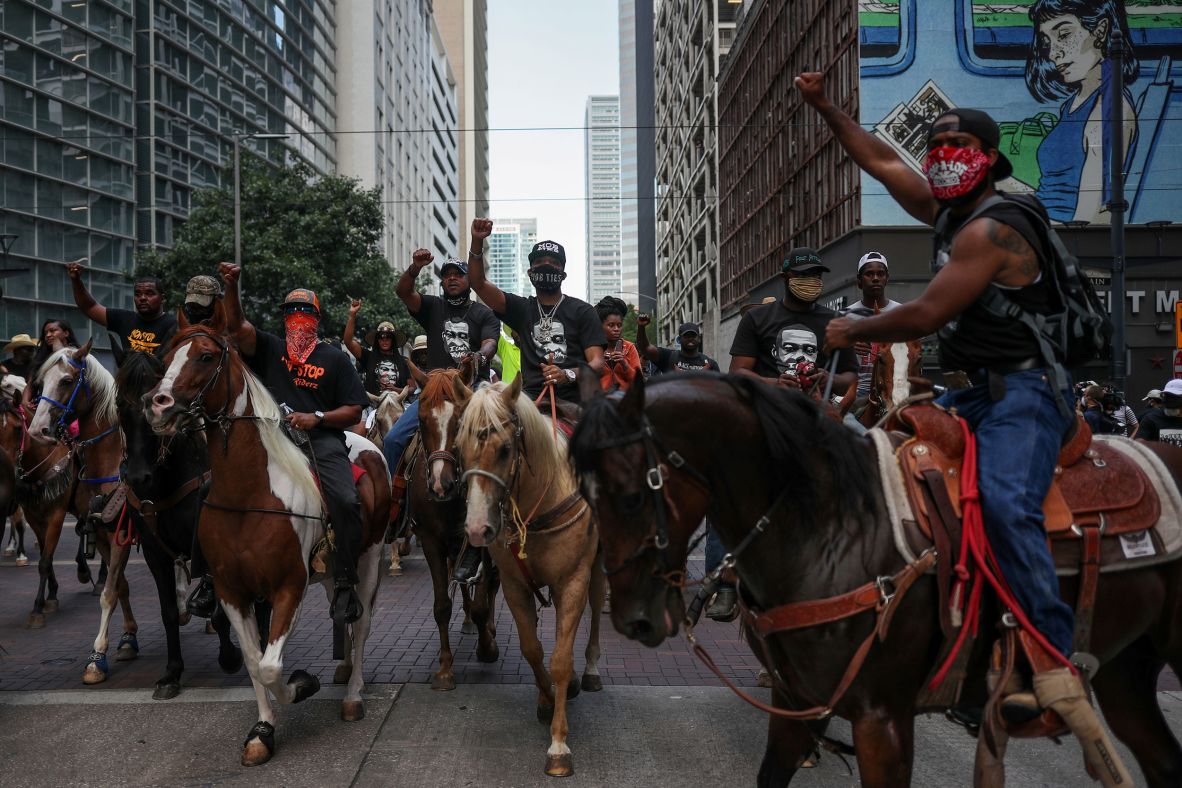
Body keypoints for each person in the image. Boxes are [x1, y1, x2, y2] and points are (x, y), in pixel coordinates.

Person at [800, 70, 1132, 784]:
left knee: (1009, 503)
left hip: (1029, 395)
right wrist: (828, 106)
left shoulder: (993, 226)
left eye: (960, 144)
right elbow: (881, 160)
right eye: (938, 143)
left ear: (988, 157)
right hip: (971, 394)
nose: (944, 152)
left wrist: (853, 327)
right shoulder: (949, 211)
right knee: (884, 457)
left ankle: (1050, 663)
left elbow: (924, 317)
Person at [217, 262, 369, 624]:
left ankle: (346, 577)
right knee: (213, 487)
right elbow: (237, 326)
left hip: (320, 441)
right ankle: (209, 578)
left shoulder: (334, 357)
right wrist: (231, 287)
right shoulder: (269, 347)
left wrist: (316, 418)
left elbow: (353, 410)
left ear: (316, 318)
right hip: (269, 441)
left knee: (347, 500)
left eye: (305, 313)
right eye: (291, 313)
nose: (297, 319)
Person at [382, 249, 499, 471]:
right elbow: (403, 292)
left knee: (500, 439)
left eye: (459, 274)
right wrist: (415, 267)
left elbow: (490, 344)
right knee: (392, 440)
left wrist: (478, 356)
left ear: (469, 280)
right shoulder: (433, 306)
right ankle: (393, 499)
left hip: (471, 387)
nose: (452, 278)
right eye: (447, 275)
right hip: (435, 389)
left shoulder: (485, 313)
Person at [466, 220, 605, 404]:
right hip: (530, 403)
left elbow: (597, 363)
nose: (546, 265)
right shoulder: (521, 309)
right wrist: (476, 241)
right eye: (539, 262)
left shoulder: (583, 311)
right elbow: (478, 284)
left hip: (574, 403)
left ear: (563, 273)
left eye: (554, 262)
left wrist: (568, 374)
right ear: (530, 272)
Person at [1025, 0, 1138, 223]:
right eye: (1047, 42)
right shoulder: (1073, 104)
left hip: (1056, 236)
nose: (1052, 54)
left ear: (1100, 30)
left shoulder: (1108, 110)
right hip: (1043, 223)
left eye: (1064, 34)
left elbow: (1091, 218)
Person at [729, 247, 858, 397]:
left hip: (817, 412)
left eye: (816, 275)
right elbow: (737, 373)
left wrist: (831, 379)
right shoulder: (756, 318)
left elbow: (851, 377)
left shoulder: (836, 321)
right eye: (803, 274)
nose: (810, 280)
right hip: (769, 411)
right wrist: (775, 384)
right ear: (784, 277)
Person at [67, 264, 177, 356]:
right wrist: (76, 280)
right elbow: (89, 307)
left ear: (162, 299)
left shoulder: (174, 325)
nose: (142, 298)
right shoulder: (124, 319)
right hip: (127, 380)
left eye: (149, 293)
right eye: (138, 294)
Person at [841, 252, 904, 399]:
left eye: (880, 274)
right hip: (855, 391)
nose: (875, 278)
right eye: (869, 274)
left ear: (887, 278)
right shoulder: (844, 315)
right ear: (859, 280)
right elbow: (828, 353)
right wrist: (847, 347)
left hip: (893, 389)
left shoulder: (901, 313)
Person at [343, 304, 409, 397]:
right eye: (381, 337)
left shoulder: (403, 361)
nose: (384, 340)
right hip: (373, 404)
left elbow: (412, 388)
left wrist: (396, 390)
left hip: (397, 403)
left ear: (393, 340)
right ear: (377, 340)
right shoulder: (368, 356)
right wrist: (352, 315)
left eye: (388, 337)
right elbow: (348, 341)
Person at [636, 318, 720, 374]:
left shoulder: (710, 364)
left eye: (693, 335)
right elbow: (645, 348)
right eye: (686, 336)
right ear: (679, 339)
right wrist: (641, 327)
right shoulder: (668, 357)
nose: (690, 338)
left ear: (699, 338)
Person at [595, 297, 642, 392]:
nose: (616, 329)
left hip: (625, 402)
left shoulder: (629, 348)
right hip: (600, 403)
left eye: (619, 325)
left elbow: (639, 381)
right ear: (600, 326)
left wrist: (624, 364)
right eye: (611, 325)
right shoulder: (593, 349)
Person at [1132, 379, 1182, 447]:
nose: (1170, 400)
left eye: (1174, 396)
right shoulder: (1152, 418)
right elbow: (1139, 445)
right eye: (1167, 396)